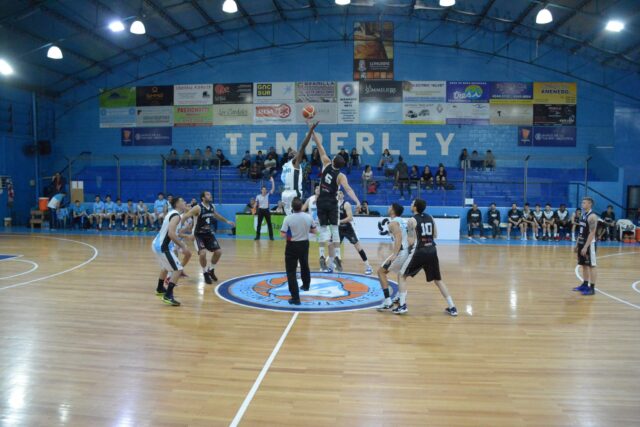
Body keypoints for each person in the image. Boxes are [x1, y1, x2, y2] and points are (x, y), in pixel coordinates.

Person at [312, 123, 361, 273]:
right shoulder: (341, 176)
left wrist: (312, 130)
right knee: (334, 230)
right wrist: (357, 202)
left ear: (333, 161)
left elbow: (319, 145)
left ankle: (321, 256)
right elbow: (348, 189)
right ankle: (338, 257)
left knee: (322, 230)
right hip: (333, 203)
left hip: (321, 201)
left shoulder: (326, 163)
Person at [399, 198, 458, 316]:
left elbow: (411, 242)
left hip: (419, 251)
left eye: (412, 203)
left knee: (401, 275)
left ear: (415, 207)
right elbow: (435, 234)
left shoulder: (411, 220)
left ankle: (402, 306)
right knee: (438, 280)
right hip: (432, 250)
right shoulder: (430, 217)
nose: (410, 204)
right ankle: (452, 307)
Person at [182, 190, 235, 285]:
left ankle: (211, 269)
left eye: (210, 194)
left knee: (218, 252)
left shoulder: (212, 206)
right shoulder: (198, 208)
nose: (210, 196)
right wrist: (177, 225)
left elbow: (216, 215)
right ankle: (205, 272)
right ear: (203, 197)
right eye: (208, 194)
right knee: (202, 254)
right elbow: (186, 215)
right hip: (198, 234)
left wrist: (227, 221)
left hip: (209, 233)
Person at [152, 196, 190, 306]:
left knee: (165, 268)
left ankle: (160, 289)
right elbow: (171, 234)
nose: (185, 202)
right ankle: (168, 295)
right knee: (178, 269)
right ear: (177, 204)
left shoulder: (171, 213)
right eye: (183, 200)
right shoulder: (176, 215)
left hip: (157, 244)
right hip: (162, 247)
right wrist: (183, 246)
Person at [280, 198, 317, 305]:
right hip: (304, 244)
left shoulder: (288, 218)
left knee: (291, 272)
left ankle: (295, 298)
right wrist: (304, 230)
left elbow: (282, 234)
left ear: (292, 207)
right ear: (301, 207)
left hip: (292, 245)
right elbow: (314, 231)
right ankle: (306, 285)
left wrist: (292, 235)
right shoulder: (308, 217)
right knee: (305, 264)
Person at [376, 203, 410, 311]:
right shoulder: (404, 221)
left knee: (381, 272)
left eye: (390, 207)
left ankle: (387, 301)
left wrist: (395, 254)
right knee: (401, 274)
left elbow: (399, 238)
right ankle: (400, 296)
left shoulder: (393, 223)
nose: (388, 208)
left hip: (401, 252)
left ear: (393, 210)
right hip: (407, 251)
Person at [281, 122, 318, 215]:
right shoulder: (285, 165)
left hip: (294, 194)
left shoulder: (295, 163)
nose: (292, 151)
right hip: (285, 193)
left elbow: (303, 146)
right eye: (290, 151)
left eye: (294, 152)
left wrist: (310, 130)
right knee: (289, 219)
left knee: (295, 218)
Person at [337, 190, 373, 275]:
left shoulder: (346, 204)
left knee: (358, 247)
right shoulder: (334, 204)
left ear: (343, 195)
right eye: (337, 193)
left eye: (340, 193)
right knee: (334, 246)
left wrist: (340, 221)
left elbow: (350, 218)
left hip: (348, 228)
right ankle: (335, 265)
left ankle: (368, 266)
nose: (338, 194)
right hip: (338, 229)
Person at [573, 197, 599, 296]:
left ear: (590, 204)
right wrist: (577, 244)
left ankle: (592, 288)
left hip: (589, 244)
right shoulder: (583, 215)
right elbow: (581, 231)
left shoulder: (592, 217)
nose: (582, 204)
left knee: (592, 265)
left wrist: (585, 246)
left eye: (584, 203)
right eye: (582, 202)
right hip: (581, 243)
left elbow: (592, 233)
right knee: (583, 265)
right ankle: (585, 284)